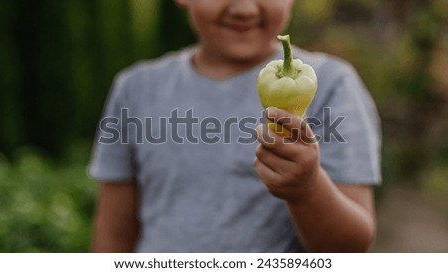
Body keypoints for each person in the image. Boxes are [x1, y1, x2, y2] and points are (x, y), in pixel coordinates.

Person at [88, 0, 381, 252]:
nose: (244, 8)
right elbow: (113, 234)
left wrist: (307, 189)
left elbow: (350, 247)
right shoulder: (136, 89)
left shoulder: (330, 85)